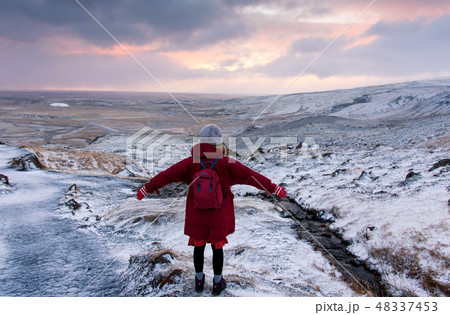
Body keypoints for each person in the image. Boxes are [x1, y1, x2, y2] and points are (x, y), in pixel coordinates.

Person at [137, 124, 287, 296]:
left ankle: (199, 281)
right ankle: (217, 283)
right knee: (217, 248)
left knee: (198, 247)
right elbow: (250, 176)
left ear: (201, 141)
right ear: (219, 142)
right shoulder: (226, 162)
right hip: (219, 214)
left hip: (197, 213)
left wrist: (147, 188)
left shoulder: (191, 161)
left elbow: (169, 174)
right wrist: (273, 188)